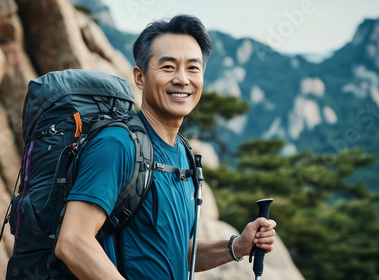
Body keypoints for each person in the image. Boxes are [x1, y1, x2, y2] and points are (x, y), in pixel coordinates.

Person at [55, 14, 277, 279]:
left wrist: (237, 246)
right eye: (168, 67)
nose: (182, 79)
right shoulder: (117, 145)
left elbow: (180, 251)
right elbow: (73, 242)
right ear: (140, 77)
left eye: (193, 68)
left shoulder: (183, 155)